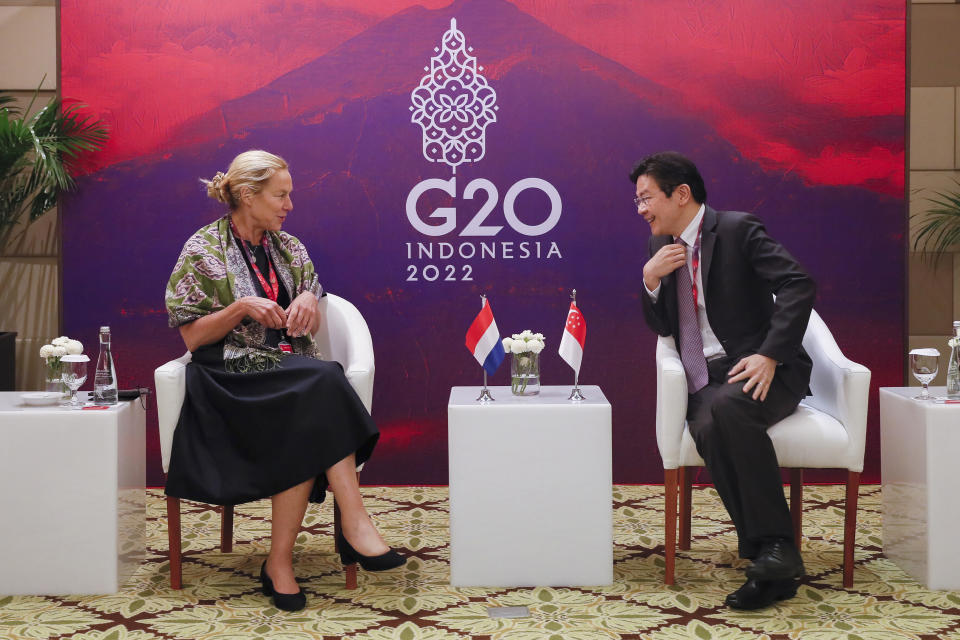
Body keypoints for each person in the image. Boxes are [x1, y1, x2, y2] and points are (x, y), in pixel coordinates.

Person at [164, 149, 405, 612]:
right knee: (322, 383)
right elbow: (193, 338)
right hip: (228, 375)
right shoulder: (201, 251)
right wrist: (239, 308)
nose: (289, 205)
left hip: (287, 373)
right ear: (248, 196)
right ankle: (354, 521)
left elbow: (308, 326)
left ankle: (280, 562)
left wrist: (311, 305)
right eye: (281, 195)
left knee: (311, 394)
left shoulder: (289, 248)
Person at [634, 151, 816, 610]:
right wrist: (650, 281)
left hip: (766, 368)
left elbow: (797, 284)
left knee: (725, 410)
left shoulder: (736, 229)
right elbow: (663, 326)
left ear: (681, 193)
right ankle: (772, 560)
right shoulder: (661, 249)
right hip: (709, 374)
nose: (641, 210)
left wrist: (770, 353)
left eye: (646, 198)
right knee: (711, 422)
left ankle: (773, 547)